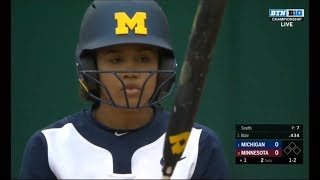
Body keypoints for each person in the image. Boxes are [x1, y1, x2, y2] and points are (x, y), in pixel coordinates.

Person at [19, 0, 229, 179]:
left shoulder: (198, 146)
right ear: (90, 68)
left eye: (143, 59)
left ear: (162, 68)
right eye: (116, 59)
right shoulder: (50, 148)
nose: (131, 72)